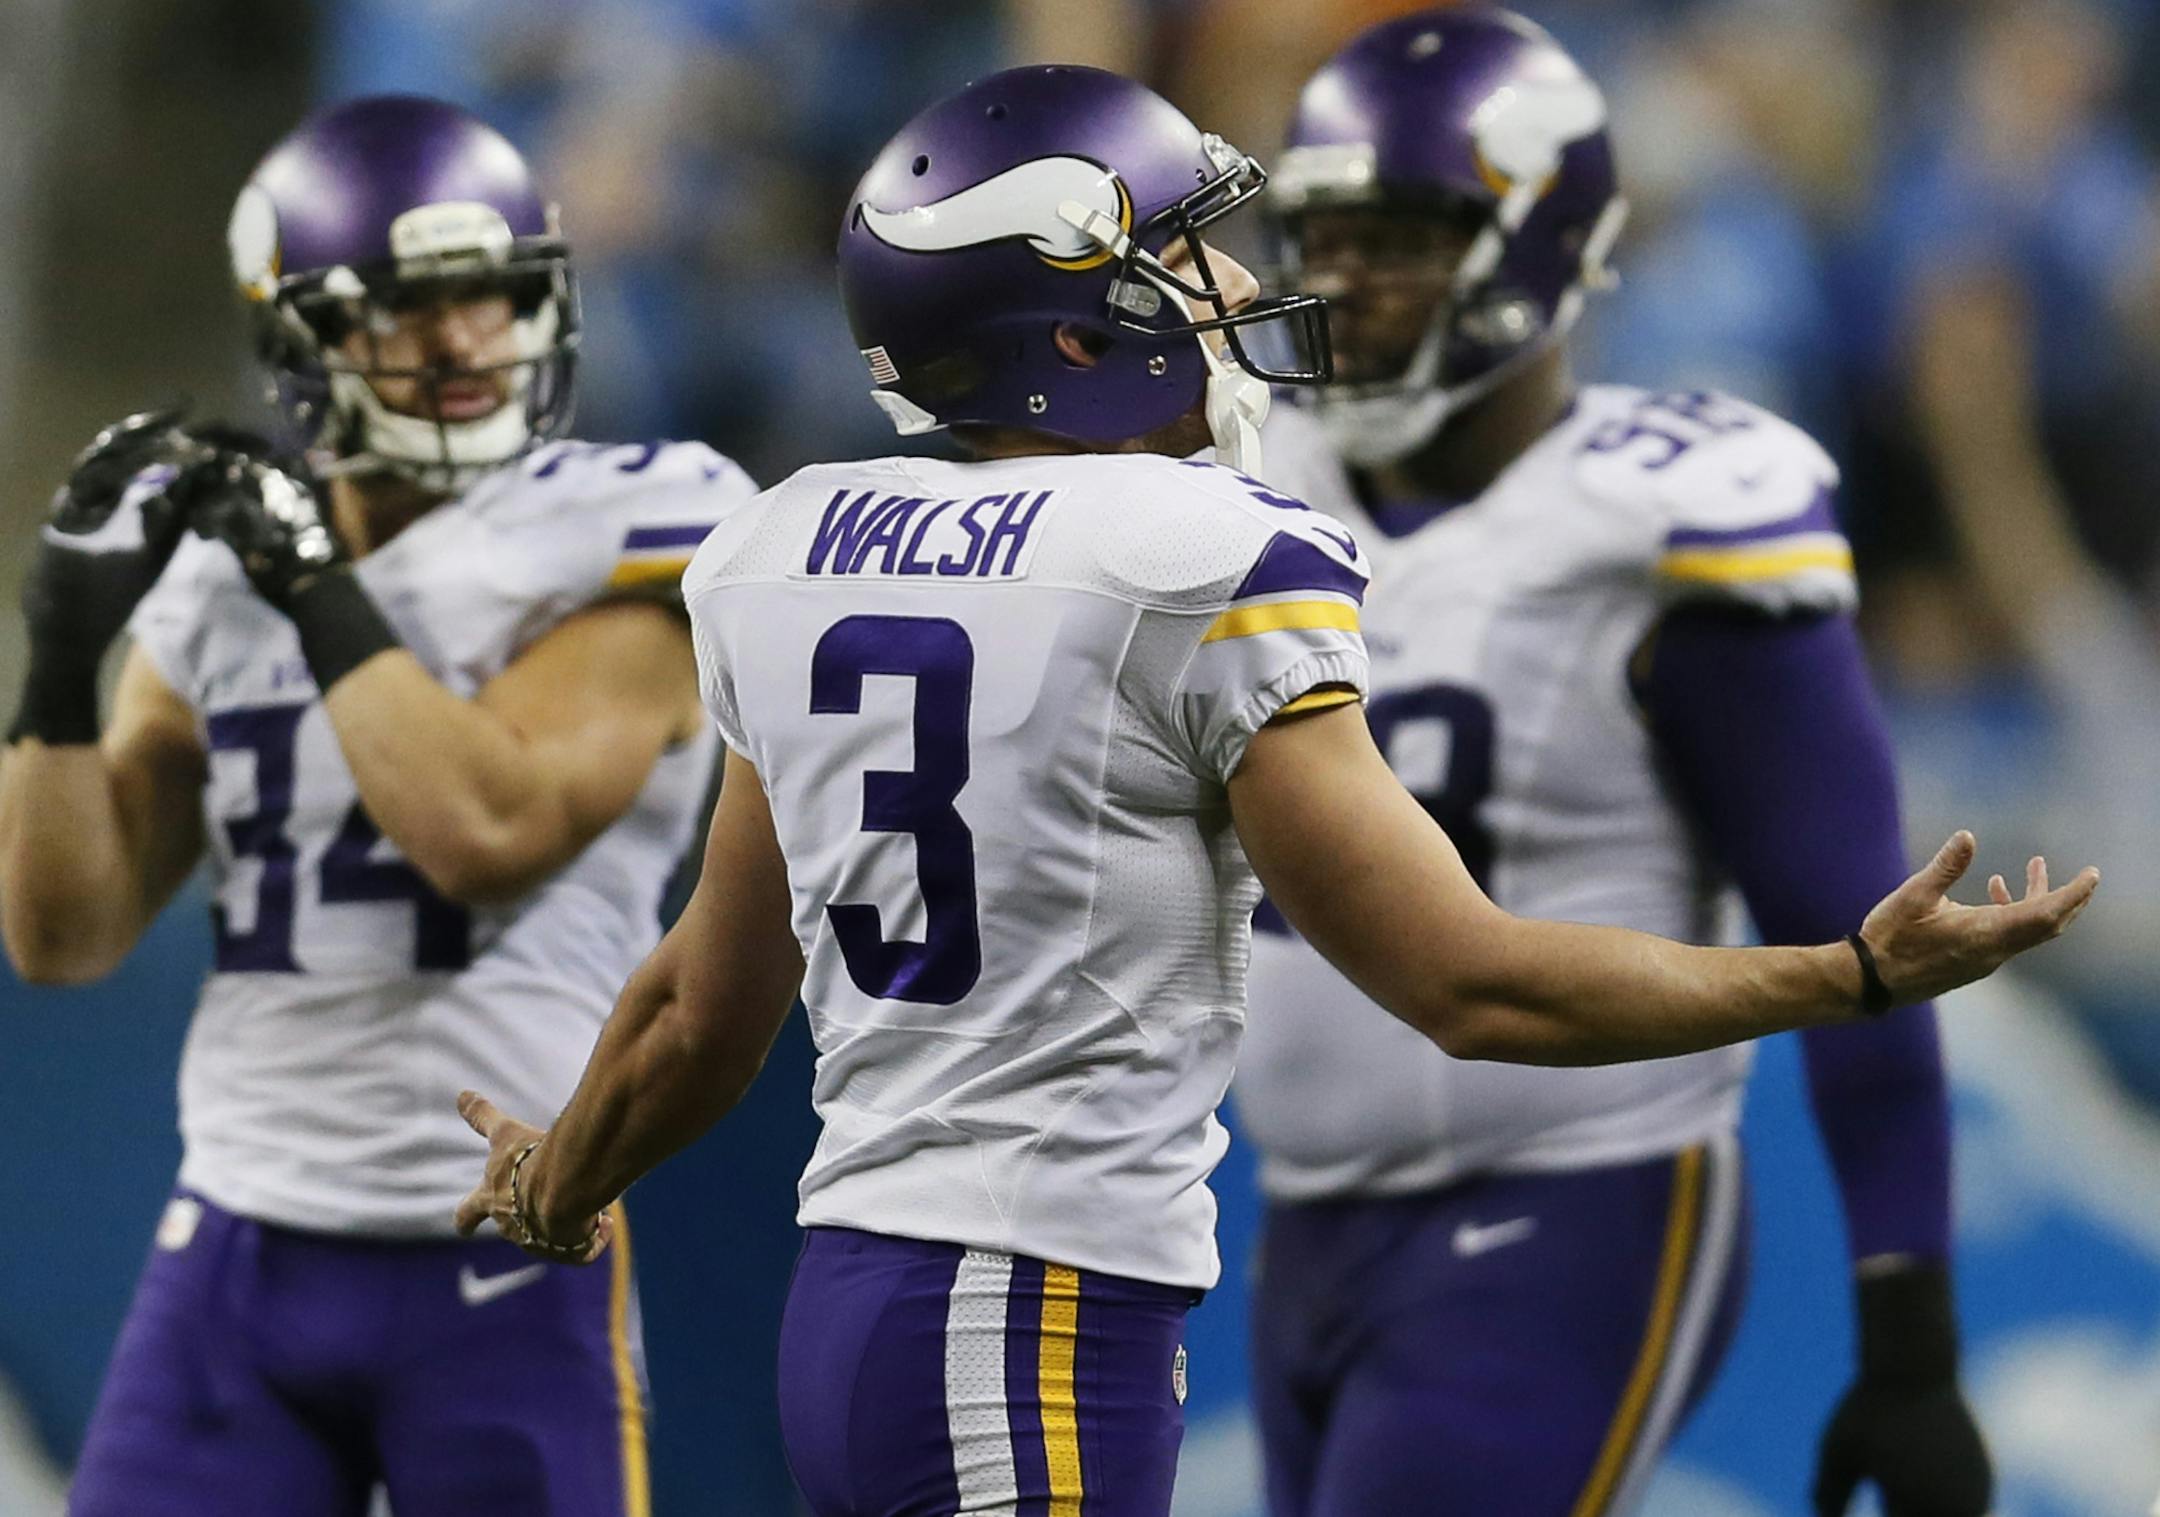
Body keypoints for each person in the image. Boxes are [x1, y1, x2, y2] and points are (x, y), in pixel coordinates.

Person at [449, 64, 2093, 1517]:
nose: (1236, 284)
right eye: (1181, 253)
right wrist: (1843, 973)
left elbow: (698, 1012)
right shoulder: (1196, 559)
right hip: (1030, 1318)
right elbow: (1468, 980)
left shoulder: (785, 543)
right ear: (1073, 331)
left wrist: (561, 1176)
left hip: (853, 1303)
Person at [1229, 9, 1998, 1517]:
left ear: (1539, 238)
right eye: (1326, 238)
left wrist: (1911, 1330)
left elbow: (1860, 930)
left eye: (1402, 238)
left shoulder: (1677, 514)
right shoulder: (1242, 491)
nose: (1347, 284)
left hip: (1579, 1195)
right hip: (1299, 1223)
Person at [0, 95, 755, 1517]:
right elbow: (69, 929)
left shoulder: (634, 518)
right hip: (234, 1244)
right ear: (300, 335)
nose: (464, 342)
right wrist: (51, 663)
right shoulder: (225, 573)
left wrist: (310, 585)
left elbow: (492, 829)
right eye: (409, 310)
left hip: (513, 1242)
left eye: (490, 297)